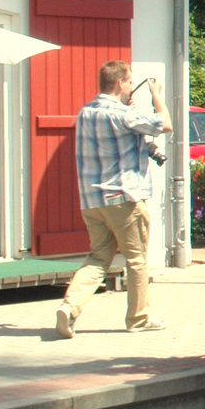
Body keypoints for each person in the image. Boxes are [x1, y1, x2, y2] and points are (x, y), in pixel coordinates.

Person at [55, 61, 171, 337]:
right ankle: (138, 319)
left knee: (98, 256)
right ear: (120, 83)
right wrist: (156, 94)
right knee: (136, 259)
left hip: (92, 201)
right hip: (124, 198)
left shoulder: (86, 112)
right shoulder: (121, 115)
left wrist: (127, 105)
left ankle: (69, 308)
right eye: (130, 82)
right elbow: (164, 124)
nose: (131, 86)